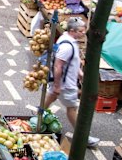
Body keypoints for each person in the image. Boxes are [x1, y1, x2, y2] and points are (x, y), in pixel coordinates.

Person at [44, 17, 100, 148]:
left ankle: (38, 114)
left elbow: (72, 63)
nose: (83, 33)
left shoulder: (68, 41)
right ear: (72, 30)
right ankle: (83, 137)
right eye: (81, 31)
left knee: (52, 95)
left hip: (64, 82)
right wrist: (58, 85)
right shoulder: (67, 46)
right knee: (72, 109)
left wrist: (80, 75)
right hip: (66, 84)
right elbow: (58, 66)